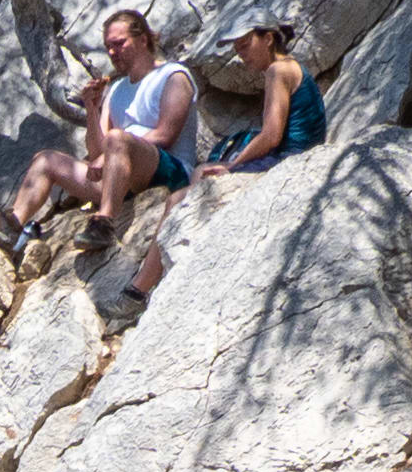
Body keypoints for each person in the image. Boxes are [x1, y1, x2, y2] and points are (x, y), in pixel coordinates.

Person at [128, 21, 319, 303]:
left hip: (290, 158)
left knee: (179, 199)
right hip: (297, 154)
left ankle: (139, 289)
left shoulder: (278, 71)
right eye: (237, 48)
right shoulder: (288, 67)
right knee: (201, 173)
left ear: (267, 39)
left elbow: (271, 136)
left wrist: (232, 166)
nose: (240, 54)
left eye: (245, 44)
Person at [4, 8, 193, 246]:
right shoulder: (116, 89)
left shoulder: (173, 76)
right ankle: (12, 223)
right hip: (122, 175)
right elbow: (96, 154)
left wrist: (112, 151)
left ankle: (104, 223)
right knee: (45, 160)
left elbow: (166, 135)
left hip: (168, 170)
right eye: (108, 47)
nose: (113, 52)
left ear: (143, 39)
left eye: (119, 44)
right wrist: (92, 109)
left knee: (117, 138)